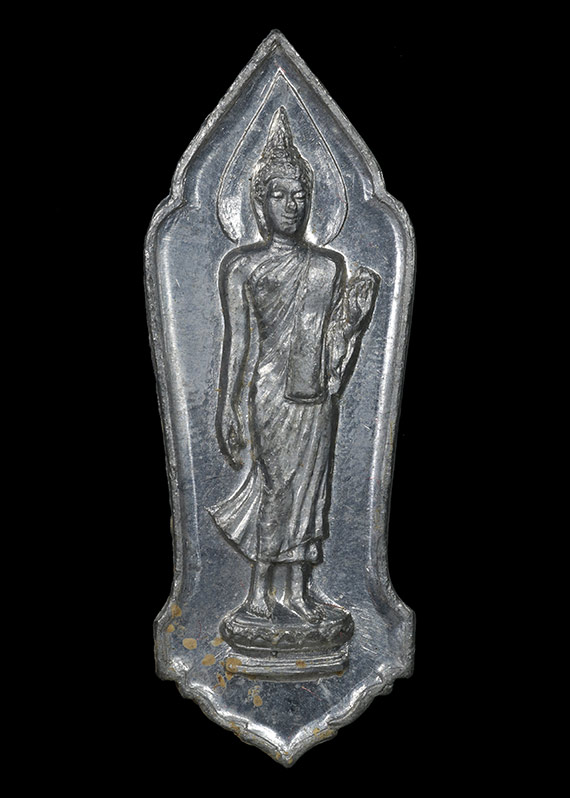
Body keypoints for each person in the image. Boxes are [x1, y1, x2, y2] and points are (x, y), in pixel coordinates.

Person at [208, 107, 378, 624]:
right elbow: (238, 344)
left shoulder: (328, 266)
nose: (291, 205)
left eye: (300, 194)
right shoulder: (243, 267)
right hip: (271, 392)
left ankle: (299, 592)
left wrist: (352, 316)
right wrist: (228, 407)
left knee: (312, 492)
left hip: (315, 395)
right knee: (279, 488)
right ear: (260, 205)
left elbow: (332, 342)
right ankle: (260, 593)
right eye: (279, 195)